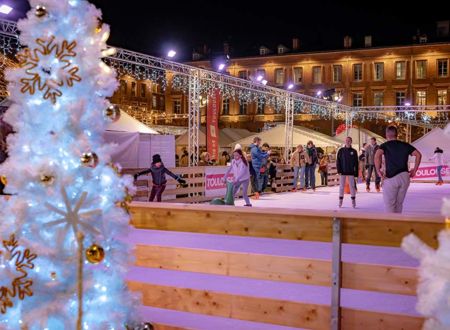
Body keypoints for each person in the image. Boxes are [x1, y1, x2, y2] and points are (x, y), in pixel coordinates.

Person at [375, 126, 422, 213]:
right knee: (399, 204)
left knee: (389, 204)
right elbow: (418, 155)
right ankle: (398, 224)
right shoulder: (405, 145)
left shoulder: (385, 145)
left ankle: (391, 225)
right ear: (396, 134)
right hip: (404, 176)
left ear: (387, 134)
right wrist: (414, 170)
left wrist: (378, 171)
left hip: (391, 177)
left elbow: (377, 155)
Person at [337, 136, 359, 208]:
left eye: (349, 140)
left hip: (351, 171)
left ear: (351, 142)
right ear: (345, 141)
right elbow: (338, 161)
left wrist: (356, 173)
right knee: (341, 187)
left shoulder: (354, 151)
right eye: (346, 140)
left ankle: (353, 200)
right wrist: (339, 170)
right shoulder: (341, 150)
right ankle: (340, 201)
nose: (347, 141)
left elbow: (356, 163)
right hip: (342, 171)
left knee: (352, 186)